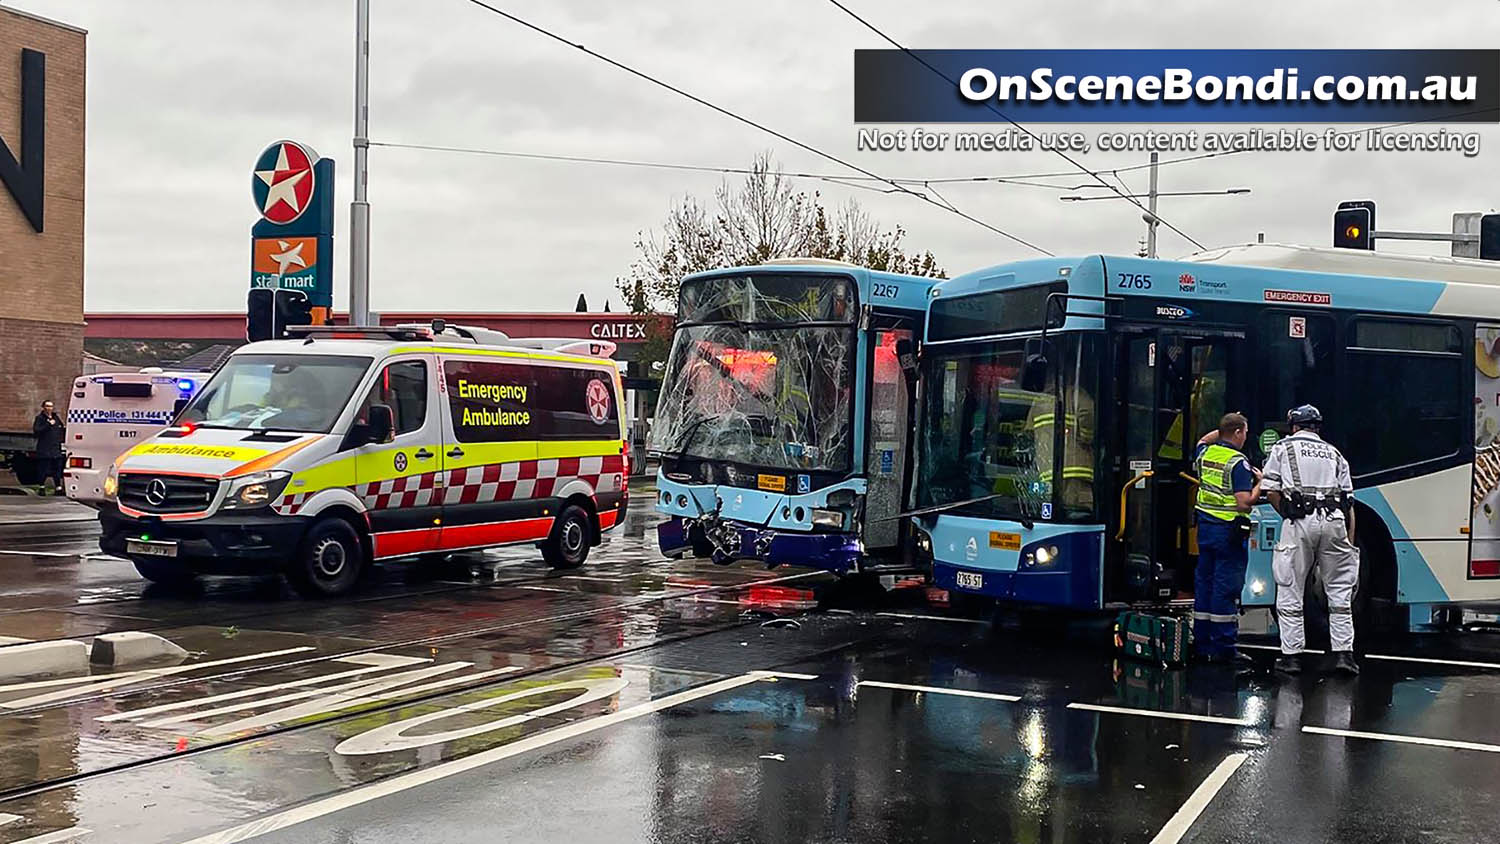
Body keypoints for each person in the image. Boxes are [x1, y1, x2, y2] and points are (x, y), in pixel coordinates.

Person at [1261, 404, 1359, 676]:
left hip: (1300, 522)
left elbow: (1270, 490)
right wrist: (1348, 543)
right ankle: (1344, 655)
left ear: (1294, 426)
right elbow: (1349, 502)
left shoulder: (1282, 448)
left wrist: (1289, 515)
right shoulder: (1334, 453)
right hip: (1335, 521)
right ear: (1317, 427)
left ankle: (1292, 658)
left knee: (1290, 585)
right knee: (1339, 591)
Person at [1191, 412, 1262, 665]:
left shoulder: (1205, 455)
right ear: (1238, 433)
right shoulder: (1237, 463)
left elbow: (1202, 440)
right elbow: (1244, 503)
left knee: (1205, 585)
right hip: (1228, 533)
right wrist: (1260, 484)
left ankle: (1202, 644)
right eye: (1243, 432)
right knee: (1226, 588)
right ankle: (1224, 648)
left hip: (1206, 531)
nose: (1245, 437)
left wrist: (1222, 430)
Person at [31, 400, 65, 495]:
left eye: (51, 406)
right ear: (43, 407)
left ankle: (58, 487)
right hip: (44, 449)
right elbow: (37, 431)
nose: (49, 408)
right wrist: (48, 425)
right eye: (47, 406)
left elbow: (61, 428)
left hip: (55, 449)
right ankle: (42, 487)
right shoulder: (40, 418)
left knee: (57, 469)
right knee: (43, 469)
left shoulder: (56, 418)